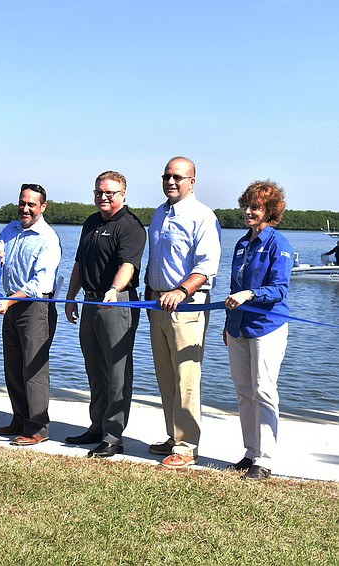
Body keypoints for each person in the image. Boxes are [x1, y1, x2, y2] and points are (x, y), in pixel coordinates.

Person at [145, 157, 221, 469]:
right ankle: (172, 437)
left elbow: (206, 266)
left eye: (178, 177)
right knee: (165, 378)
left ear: (192, 181)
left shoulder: (202, 216)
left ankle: (187, 447)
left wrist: (181, 291)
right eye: (166, 176)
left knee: (186, 379)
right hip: (157, 306)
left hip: (187, 307)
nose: (171, 182)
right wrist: (152, 293)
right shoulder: (159, 213)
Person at [64, 171, 146, 458]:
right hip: (89, 302)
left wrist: (114, 289)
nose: (103, 197)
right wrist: (72, 296)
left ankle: (113, 436)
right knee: (95, 369)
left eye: (110, 192)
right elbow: (79, 262)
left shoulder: (131, 226)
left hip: (117, 302)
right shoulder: (91, 222)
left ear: (123, 194)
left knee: (117, 372)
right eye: (99, 191)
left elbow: (129, 265)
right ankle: (96, 427)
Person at [223, 180, 293, 481]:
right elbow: (233, 288)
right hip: (238, 328)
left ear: (270, 211)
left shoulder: (280, 244)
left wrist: (250, 295)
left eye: (256, 207)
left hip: (268, 327)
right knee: (243, 390)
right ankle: (250, 452)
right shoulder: (242, 243)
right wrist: (228, 325)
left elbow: (279, 288)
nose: (248, 212)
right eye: (246, 206)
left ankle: (264, 460)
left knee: (263, 389)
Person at [0, 183, 60, 446]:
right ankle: (19, 419)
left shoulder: (48, 238)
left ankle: (38, 429)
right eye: (22, 202)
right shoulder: (10, 229)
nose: (25, 208)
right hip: (11, 306)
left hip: (34, 308)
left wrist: (9, 301)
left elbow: (40, 284)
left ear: (43, 207)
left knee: (33, 370)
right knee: (13, 367)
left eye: (31, 204)